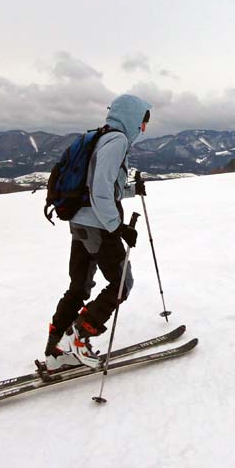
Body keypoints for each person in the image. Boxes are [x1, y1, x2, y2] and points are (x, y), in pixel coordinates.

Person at [44, 94, 151, 371]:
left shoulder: (100, 137)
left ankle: (56, 351)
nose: (143, 129)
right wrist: (120, 228)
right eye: (143, 122)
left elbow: (96, 187)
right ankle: (79, 337)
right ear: (133, 119)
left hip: (79, 221)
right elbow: (101, 192)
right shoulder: (117, 141)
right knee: (121, 284)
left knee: (78, 287)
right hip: (98, 226)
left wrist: (129, 190)